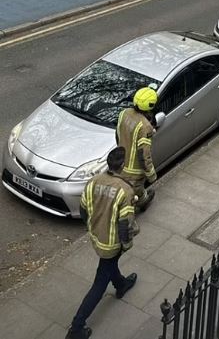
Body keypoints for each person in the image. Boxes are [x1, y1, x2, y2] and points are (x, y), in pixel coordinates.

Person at [66, 147, 137, 339]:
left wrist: (92, 227)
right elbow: (125, 225)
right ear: (122, 165)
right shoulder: (125, 190)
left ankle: (121, 284)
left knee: (108, 267)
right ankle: (76, 327)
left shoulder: (94, 181)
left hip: (97, 237)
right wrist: (126, 244)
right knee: (99, 284)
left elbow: (83, 210)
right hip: (112, 244)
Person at [116, 87, 158, 212]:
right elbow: (143, 155)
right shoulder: (145, 126)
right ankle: (141, 204)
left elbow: (118, 135)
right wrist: (151, 175)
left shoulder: (124, 113)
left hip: (120, 163)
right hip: (133, 171)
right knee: (135, 191)